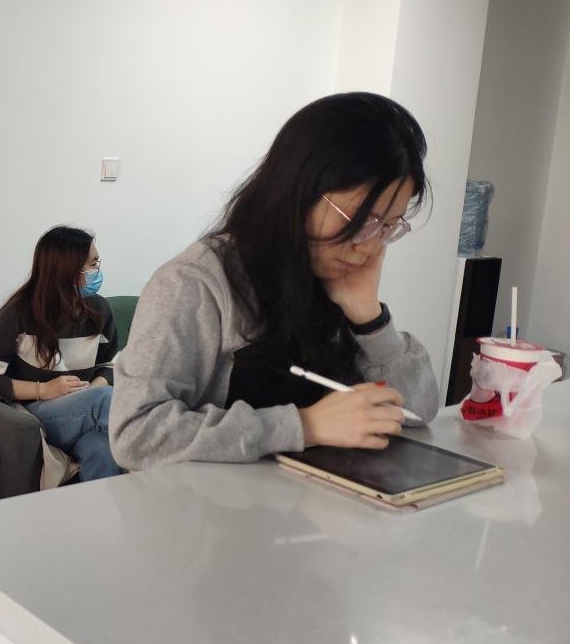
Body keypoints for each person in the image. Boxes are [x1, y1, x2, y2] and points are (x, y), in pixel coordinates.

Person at [110, 92, 440, 470]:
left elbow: (417, 413)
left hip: (317, 500)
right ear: (299, 190)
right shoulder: (195, 283)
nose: (370, 245)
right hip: (213, 505)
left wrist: (368, 317)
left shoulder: (340, 283)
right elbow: (135, 434)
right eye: (361, 220)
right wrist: (305, 425)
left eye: (388, 226)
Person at [0, 226, 123, 482]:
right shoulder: (20, 313)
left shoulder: (99, 310)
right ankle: (164, 463)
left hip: (87, 410)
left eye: (98, 263)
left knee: (102, 451)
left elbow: (112, 365)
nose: (98, 270)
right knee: (105, 400)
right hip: (39, 415)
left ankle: (100, 510)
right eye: (92, 264)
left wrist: (92, 389)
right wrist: (44, 390)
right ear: (68, 270)